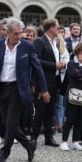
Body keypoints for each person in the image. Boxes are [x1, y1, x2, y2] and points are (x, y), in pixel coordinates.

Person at [0, 18, 50, 162]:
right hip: (0, 88)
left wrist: (43, 89)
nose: (19, 36)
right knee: (7, 123)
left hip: (18, 89)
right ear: (8, 33)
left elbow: (37, 68)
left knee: (11, 122)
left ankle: (4, 152)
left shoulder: (27, 47)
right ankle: (28, 144)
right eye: (16, 34)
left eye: (21, 33)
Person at [31, 18, 66, 148]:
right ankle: (33, 137)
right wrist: (54, 65)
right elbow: (36, 61)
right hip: (43, 82)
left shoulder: (55, 43)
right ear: (51, 28)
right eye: (57, 27)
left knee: (50, 111)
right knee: (40, 111)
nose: (59, 30)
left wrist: (61, 64)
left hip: (54, 81)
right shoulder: (40, 42)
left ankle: (48, 137)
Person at [59, 41, 82, 151]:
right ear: (77, 51)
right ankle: (64, 141)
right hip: (74, 95)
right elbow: (77, 75)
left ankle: (75, 141)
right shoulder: (71, 63)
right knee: (70, 119)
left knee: (80, 120)